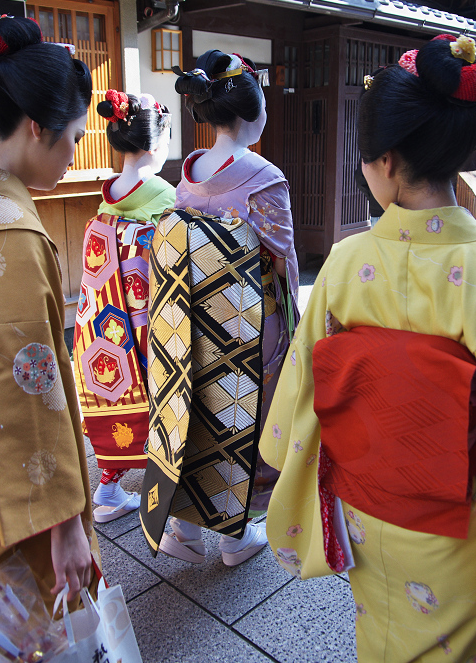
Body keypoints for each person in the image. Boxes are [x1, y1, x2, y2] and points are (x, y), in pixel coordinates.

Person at [259, 35, 476, 662]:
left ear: (382, 161)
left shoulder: (345, 264)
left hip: (365, 517)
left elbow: (299, 407)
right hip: (457, 533)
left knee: (377, 640)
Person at [140, 49, 299, 566]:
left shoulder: (188, 174)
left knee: (201, 407)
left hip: (192, 314)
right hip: (251, 322)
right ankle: (235, 537)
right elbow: (283, 263)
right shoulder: (264, 177)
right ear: (253, 110)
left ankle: (184, 529)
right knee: (244, 414)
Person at [0, 15, 99, 613]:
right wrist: (62, 522)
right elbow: (26, 388)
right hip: (18, 506)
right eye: (75, 139)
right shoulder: (11, 232)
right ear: (37, 128)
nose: (72, 154)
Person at [73, 90, 175, 522]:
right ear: (156, 144)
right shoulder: (167, 200)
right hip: (151, 323)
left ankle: (108, 489)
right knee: (166, 399)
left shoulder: (107, 200)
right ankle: (174, 504)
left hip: (107, 327)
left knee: (114, 386)